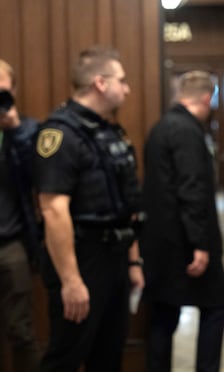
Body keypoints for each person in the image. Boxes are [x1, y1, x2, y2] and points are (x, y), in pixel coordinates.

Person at [33, 46, 144, 372]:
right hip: (82, 259)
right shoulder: (60, 134)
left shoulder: (110, 131)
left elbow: (127, 206)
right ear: (100, 83)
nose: (126, 88)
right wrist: (71, 281)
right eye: (121, 80)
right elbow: (53, 210)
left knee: (108, 355)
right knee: (66, 356)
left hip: (115, 257)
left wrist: (133, 260)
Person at [140, 70, 224, 372]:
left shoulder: (161, 127)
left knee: (163, 315)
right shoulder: (188, 131)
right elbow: (191, 189)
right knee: (216, 306)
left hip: (160, 242)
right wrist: (201, 244)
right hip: (187, 245)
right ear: (206, 99)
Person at [0, 59, 41, 371]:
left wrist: (14, 132)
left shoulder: (27, 130)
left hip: (10, 242)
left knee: (21, 331)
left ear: (13, 91)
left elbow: (38, 178)